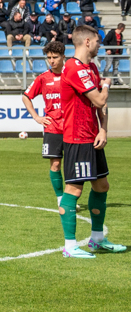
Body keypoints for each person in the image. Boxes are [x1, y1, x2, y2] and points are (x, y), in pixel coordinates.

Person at [56, 24, 123, 257]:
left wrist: (103, 130)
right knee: (74, 189)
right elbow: (100, 99)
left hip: (93, 136)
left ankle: (97, 239)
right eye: (97, 41)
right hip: (77, 137)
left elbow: (101, 106)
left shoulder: (91, 67)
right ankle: (70, 246)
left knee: (102, 186)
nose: (99, 45)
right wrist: (106, 85)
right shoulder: (73, 68)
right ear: (86, 42)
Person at [23, 41, 69, 206]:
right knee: (55, 164)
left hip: (71, 127)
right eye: (49, 57)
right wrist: (37, 117)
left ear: (63, 57)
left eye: (55, 57)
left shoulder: (71, 76)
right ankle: (60, 198)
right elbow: (26, 97)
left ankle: (70, 198)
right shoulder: (43, 78)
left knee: (72, 166)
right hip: (52, 127)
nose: (52, 61)